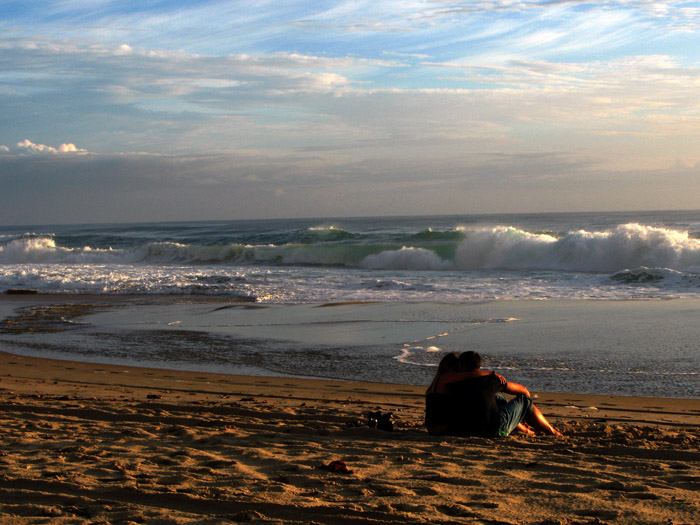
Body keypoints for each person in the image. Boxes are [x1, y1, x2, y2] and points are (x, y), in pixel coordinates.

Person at [425, 351, 561, 437]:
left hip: (462, 428)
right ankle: (552, 432)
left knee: (498, 398)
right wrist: (491, 373)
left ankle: (524, 429)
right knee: (525, 401)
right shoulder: (447, 379)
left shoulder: (451, 384)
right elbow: (523, 390)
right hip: (450, 429)